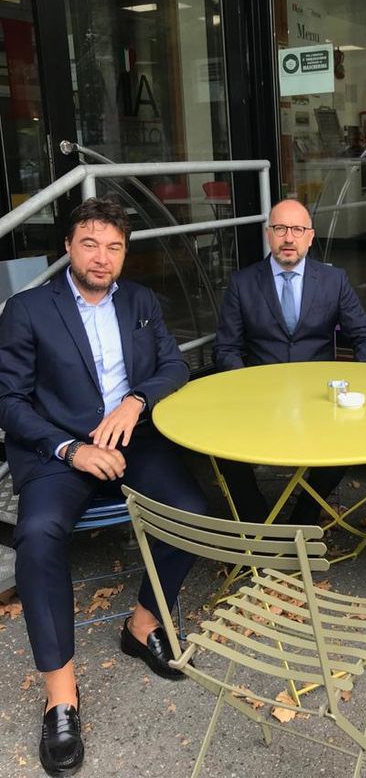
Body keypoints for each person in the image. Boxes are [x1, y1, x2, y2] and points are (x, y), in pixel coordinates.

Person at [0, 198, 207, 777]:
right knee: (38, 535)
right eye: (90, 243)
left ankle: (142, 625)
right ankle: (61, 697)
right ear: (68, 246)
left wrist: (136, 401)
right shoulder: (27, 308)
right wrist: (71, 448)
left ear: (124, 253)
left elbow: (174, 367)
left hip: (132, 440)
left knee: (192, 512)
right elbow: (8, 400)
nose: (102, 257)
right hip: (59, 451)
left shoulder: (140, 301)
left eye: (114, 247)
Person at [213, 198, 366, 523]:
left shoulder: (333, 280)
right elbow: (225, 348)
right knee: (221, 449)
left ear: (310, 236)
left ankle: (302, 520)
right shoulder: (243, 283)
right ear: (268, 234)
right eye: (280, 229)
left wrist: (352, 385)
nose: (288, 238)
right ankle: (259, 524)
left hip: (320, 398)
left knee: (345, 446)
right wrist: (246, 385)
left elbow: (365, 336)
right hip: (259, 398)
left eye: (298, 229)